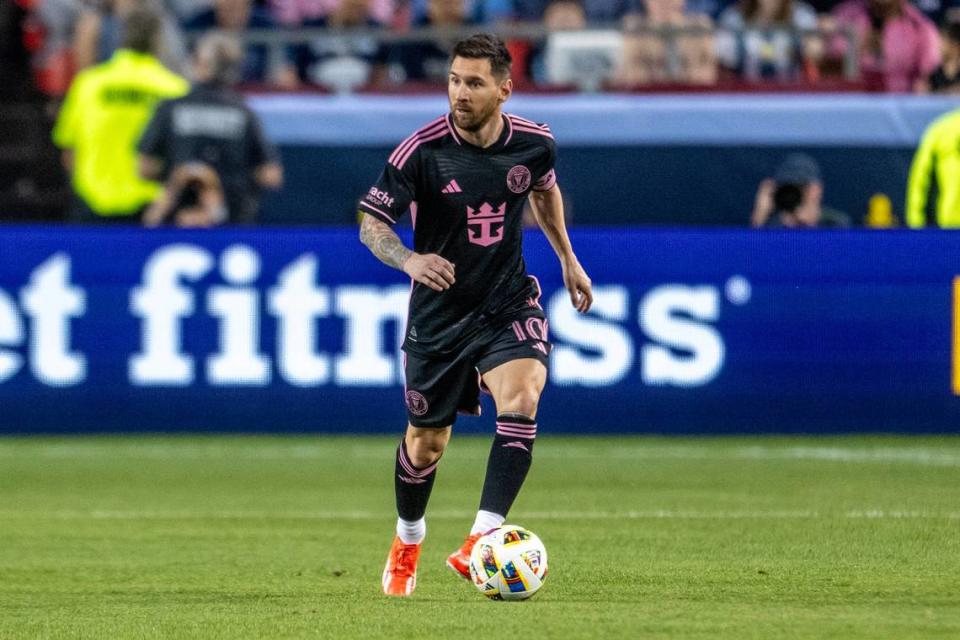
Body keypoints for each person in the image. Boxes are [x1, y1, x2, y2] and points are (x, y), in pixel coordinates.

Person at [357, 33, 593, 597]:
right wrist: (410, 258)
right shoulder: (421, 150)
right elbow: (371, 224)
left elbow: (544, 191)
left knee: (523, 396)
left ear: (504, 90)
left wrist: (567, 258)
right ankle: (408, 538)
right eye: (454, 80)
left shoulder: (535, 144)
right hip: (439, 317)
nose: (459, 93)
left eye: (474, 83)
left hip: (505, 300)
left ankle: (479, 541)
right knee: (426, 444)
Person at [52, 7, 188, 222]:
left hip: (92, 204)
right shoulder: (175, 90)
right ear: (157, 39)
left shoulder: (89, 84)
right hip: (151, 209)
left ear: (121, 37)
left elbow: (69, 153)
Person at [138, 32, 283, 224]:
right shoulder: (243, 112)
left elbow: (144, 167)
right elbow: (271, 175)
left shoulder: (171, 108)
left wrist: (178, 175)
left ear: (199, 63)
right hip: (233, 223)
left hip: (175, 222)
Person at [829, 0, 940, 93]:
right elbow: (832, 63)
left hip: (901, 107)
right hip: (851, 102)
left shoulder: (921, 28)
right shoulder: (845, 16)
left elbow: (928, 76)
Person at [751, 153, 851, 228]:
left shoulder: (835, 223)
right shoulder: (770, 227)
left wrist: (810, 225)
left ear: (817, 190)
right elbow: (753, 251)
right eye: (788, 187)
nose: (794, 194)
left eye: (802, 187)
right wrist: (760, 214)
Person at [906, 107, 960, 227]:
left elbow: (920, 177)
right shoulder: (942, 129)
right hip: (950, 225)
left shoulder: (942, 128)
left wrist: (915, 222)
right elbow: (921, 176)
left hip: (949, 223)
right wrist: (916, 221)